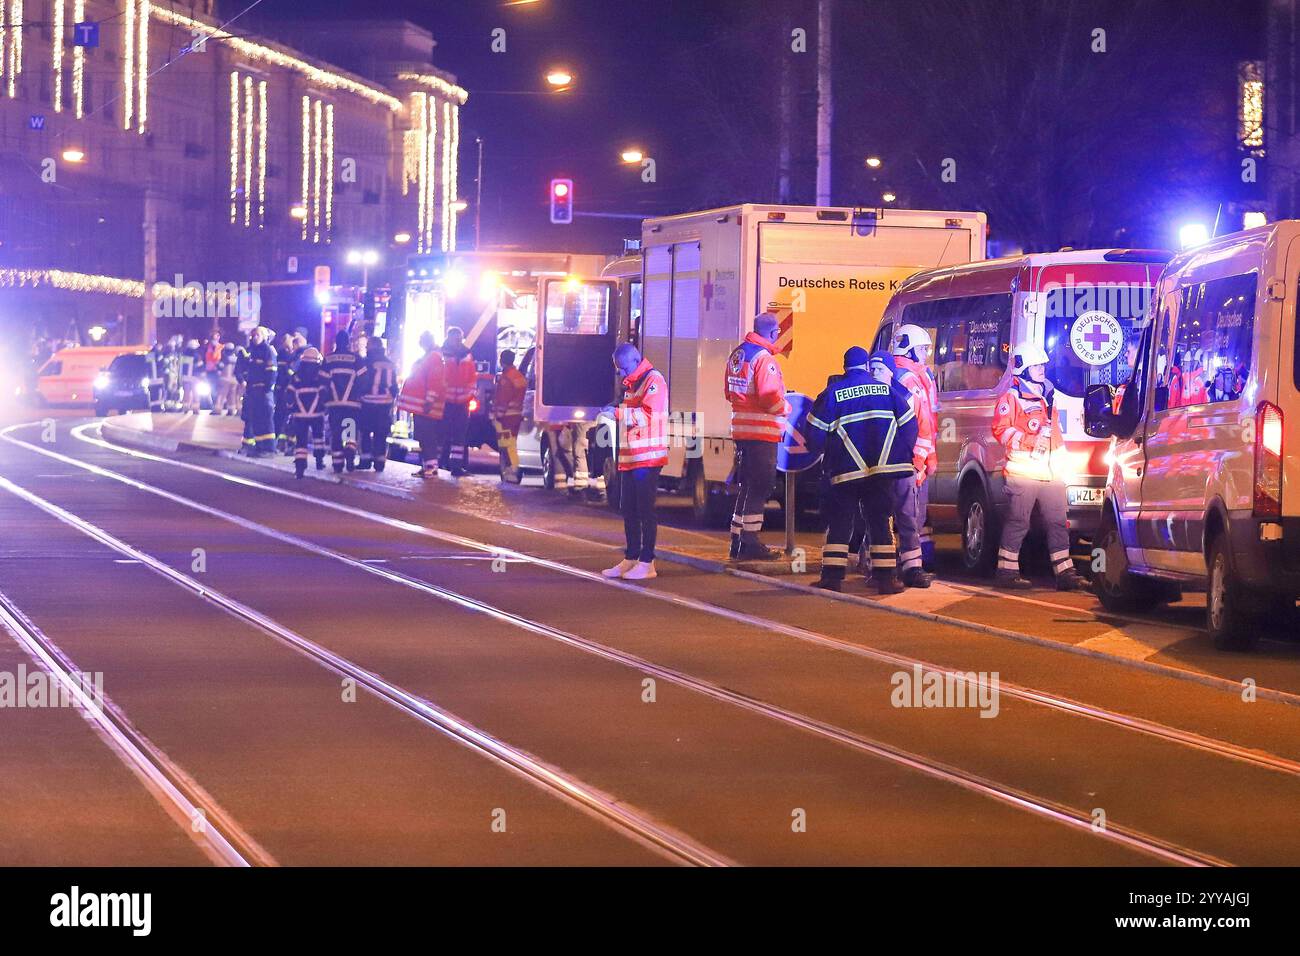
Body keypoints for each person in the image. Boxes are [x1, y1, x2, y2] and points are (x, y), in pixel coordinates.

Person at [805, 346, 917, 594]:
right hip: (881, 470)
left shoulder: (832, 393)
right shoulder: (887, 391)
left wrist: (824, 454)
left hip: (846, 471)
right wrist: (900, 452)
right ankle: (885, 580)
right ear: (867, 366)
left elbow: (814, 434)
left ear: (845, 367)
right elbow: (910, 425)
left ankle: (832, 578)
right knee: (879, 522)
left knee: (841, 522)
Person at [991, 342, 1085, 591]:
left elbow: (1055, 435)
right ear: (1023, 368)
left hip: (1051, 472)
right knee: (1018, 521)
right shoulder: (1011, 398)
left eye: (1043, 364)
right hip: (1023, 472)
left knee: (1057, 521)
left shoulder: (1048, 396)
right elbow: (1001, 430)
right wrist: (1031, 441)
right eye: (1036, 365)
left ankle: (1065, 573)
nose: (1042, 368)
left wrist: (1063, 463)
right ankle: (1006, 571)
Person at [724, 312, 790, 561]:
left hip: (742, 431)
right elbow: (768, 396)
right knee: (760, 486)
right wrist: (786, 407)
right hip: (761, 433)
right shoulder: (764, 359)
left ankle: (737, 540)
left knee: (747, 486)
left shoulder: (738, 355)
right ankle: (750, 543)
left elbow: (729, 393)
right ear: (773, 333)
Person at [602, 343, 667, 581]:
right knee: (628, 508)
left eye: (622, 367)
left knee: (645, 510)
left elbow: (647, 415)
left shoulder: (653, 380)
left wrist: (617, 414)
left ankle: (647, 561)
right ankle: (631, 557)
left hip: (647, 458)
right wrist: (614, 408)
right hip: (632, 456)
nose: (620, 373)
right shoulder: (633, 383)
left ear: (636, 360)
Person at [868, 351, 931, 588]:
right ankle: (879, 568)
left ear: (891, 372)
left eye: (880, 370)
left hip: (903, 467)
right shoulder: (870, 397)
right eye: (872, 370)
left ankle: (912, 568)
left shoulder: (905, 396)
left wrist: (917, 464)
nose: (875, 374)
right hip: (876, 469)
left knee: (907, 518)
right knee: (879, 519)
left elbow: (923, 432)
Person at [893, 324, 939, 570]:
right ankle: (905, 565)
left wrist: (928, 458)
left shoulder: (917, 376)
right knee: (907, 516)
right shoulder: (908, 380)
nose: (925, 354)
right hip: (910, 460)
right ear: (909, 350)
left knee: (913, 516)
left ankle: (911, 561)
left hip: (917, 458)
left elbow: (928, 423)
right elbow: (917, 427)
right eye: (922, 349)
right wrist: (921, 461)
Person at [396, 331, 445, 478]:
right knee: (423, 436)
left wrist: (429, 401)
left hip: (427, 406)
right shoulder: (429, 356)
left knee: (427, 436)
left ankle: (431, 467)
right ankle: (426, 466)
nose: (420, 342)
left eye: (422, 339)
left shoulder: (434, 357)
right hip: (421, 406)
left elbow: (435, 381)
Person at [439, 327, 477, 477]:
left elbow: (472, 377)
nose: (457, 341)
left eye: (459, 338)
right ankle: (436, 464)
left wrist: (470, 395)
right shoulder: (441, 353)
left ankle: (456, 466)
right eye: (455, 338)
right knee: (442, 434)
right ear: (449, 338)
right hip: (445, 401)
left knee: (459, 436)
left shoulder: (467, 355)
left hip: (462, 402)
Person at [356, 338, 398, 471]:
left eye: (368, 345)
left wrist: (360, 393)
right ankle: (380, 463)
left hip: (368, 401)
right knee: (381, 433)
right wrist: (391, 396)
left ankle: (365, 461)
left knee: (366, 432)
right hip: (385, 403)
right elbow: (394, 384)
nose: (366, 348)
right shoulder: (390, 363)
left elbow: (359, 379)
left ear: (373, 347)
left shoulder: (366, 362)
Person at [322, 329, 361, 473]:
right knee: (350, 433)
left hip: (334, 405)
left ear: (336, 342)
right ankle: (350, 458)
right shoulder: (356, 359)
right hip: (352, 404)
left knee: (336, 433)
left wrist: (325, 399)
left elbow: (322, 381)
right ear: (348, 342)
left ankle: (338, 465)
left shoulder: (328, 359)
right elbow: (363, 379)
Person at [285, 348, 327, 477]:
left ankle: (300, 467)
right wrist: (324, 408)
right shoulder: (320, 376)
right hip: (317, 414)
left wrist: (290, 408)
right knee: (318, 438)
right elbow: (324, 394)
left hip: (300, 414)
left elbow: (289, 395)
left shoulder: (296, 376)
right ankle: (319, 462)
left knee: (301, 441)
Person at [491, 349, 527, 482]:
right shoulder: (518, 376)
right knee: (511, 444)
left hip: (505, 418)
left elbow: (502, 399)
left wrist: (497, 415)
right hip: (516, 416)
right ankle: (513, 469)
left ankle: (511, 471)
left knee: (506, 445)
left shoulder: (506, 378)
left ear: (502, 361)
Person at [244, 327, 279, 456]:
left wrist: (267, 388)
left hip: (263, 390)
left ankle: (269, 449)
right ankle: (259, 447)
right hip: (253, 391)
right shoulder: (253, 351)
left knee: (266, 420)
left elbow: (272, 371)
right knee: (257, 419)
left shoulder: (267, 351)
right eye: (253, 335)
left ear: (264, 336)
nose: (254, 337)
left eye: (257, 335)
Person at [212, 342, 239, 415]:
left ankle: (217, 409)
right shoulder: (237, 359)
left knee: (221, 394)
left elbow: (219, 367)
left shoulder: (224, 358)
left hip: (225, 379)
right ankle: (231, 410)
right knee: (231, 395)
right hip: (234, 380)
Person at [179, 338, 204, 412]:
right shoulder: (197, 355)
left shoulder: (183, 355)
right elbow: (200, 367)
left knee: (186, 392)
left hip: (186, 377)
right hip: (195, 377)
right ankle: (196, 408)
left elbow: (182, 367)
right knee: (195, 392)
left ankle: (185, 407)